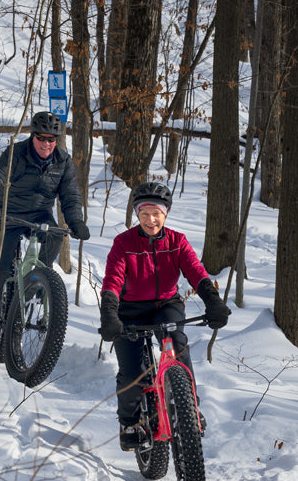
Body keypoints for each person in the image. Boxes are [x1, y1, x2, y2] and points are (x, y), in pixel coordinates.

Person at [97, 181, 231, 449]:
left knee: (177, 347)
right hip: (130, 311)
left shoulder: (177, 241)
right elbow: (112, 280)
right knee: (132, 371)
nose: (151, 219)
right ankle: (130, 422)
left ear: (165, 213)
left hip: (165, 306)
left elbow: (196, 272)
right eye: (144, 213)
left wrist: (213, 302)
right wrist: (109, 315)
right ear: (137, 215)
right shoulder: (123, 243)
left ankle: (189, 407)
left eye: (156, 213)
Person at [0, 111, 90, 351]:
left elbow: (70, 196)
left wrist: (76, 221)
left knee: (56, 234)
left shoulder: (62, 161)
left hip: (40, 215)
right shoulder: (15, 153)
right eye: (41, 138)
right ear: (33, 136)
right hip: (9, 215)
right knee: (0, 272)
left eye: (52, 139)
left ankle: (37, 282)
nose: (46, 144)